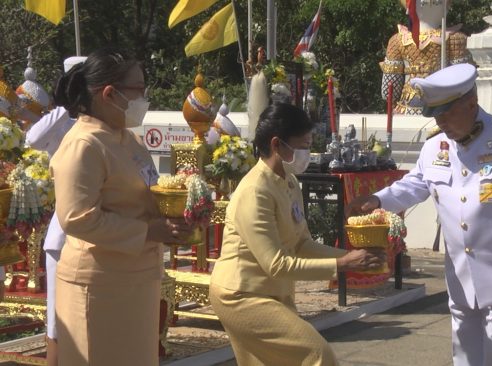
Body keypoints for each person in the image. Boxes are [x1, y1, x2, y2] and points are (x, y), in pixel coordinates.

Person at [347, 63, 492, 366]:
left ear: (470, 102)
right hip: (461, 275)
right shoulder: (434, 147)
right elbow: (415, 184)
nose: (441, 121)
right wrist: (377, 199)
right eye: (436, 114)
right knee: (464, 357)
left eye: (447, 113)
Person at [209, 102, 385, 366]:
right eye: (302, 146)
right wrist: (341, 265)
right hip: (241, 294)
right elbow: (277, 264)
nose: (308, 153)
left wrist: (351, 257)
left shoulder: (289, 182)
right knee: (317, 354)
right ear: (277, 145)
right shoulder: (255, 191)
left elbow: (301, 243)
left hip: (272, 292)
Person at [50, 48, 189, 365]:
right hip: (99, 285)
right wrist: (147, 230)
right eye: (138, 90)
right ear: (109, 94)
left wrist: (175, 217)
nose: (145, 97)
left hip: (137, 280)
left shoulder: (129, 139)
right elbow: (76, 218)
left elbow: (144, 195)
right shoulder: (84, 144)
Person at [25, 56, 86, 366]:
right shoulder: (61, 121)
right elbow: (32, 139)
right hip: (63, 234)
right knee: (56, 317)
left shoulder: (102, 123)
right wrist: (65, 106)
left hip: (94, 235)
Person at [380, 0, 471, 115]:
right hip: (443, 109)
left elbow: (389, 90)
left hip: (409, 108)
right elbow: (465, 84)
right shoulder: (456, 39)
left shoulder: (397, 41)